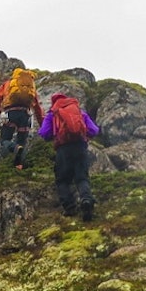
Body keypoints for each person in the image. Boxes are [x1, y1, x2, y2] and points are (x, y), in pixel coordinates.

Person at [39, 92, 101, 221]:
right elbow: (94, 130)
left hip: (63, 149)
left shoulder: (53, 113)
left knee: (62, 180)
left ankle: (70, 207)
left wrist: (54, 135)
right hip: (80, 146)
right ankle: (86, 200)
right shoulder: (79, 112)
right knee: (82, 178)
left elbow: (44, 133)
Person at [0, 62, 45, 170]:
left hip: (9, 113)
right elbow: (37, 106)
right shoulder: (30, 86)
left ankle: (14, 149)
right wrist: (42, 124)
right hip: (26, 114)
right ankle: (19, 166)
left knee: (4, 140)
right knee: (22, 142)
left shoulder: (8, 84)